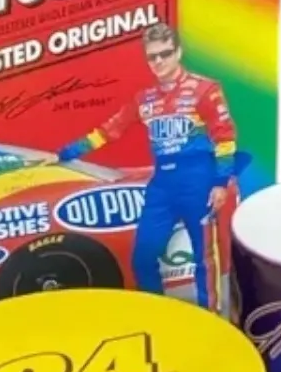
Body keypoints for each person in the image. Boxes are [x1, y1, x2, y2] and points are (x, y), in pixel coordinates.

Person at [56, 23, 235, 310]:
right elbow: (109, 130)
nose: (159, 61)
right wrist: (68, 152)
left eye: (165, 53)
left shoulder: (205, 89)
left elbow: (224, 138)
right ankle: (157, 313)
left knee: (204, 257)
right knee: (142, 257)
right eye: (152, 56)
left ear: (178, 52)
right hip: (162, 184)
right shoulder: (144, 99)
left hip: (198, 180)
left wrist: (220, 182)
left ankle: (210, 317)